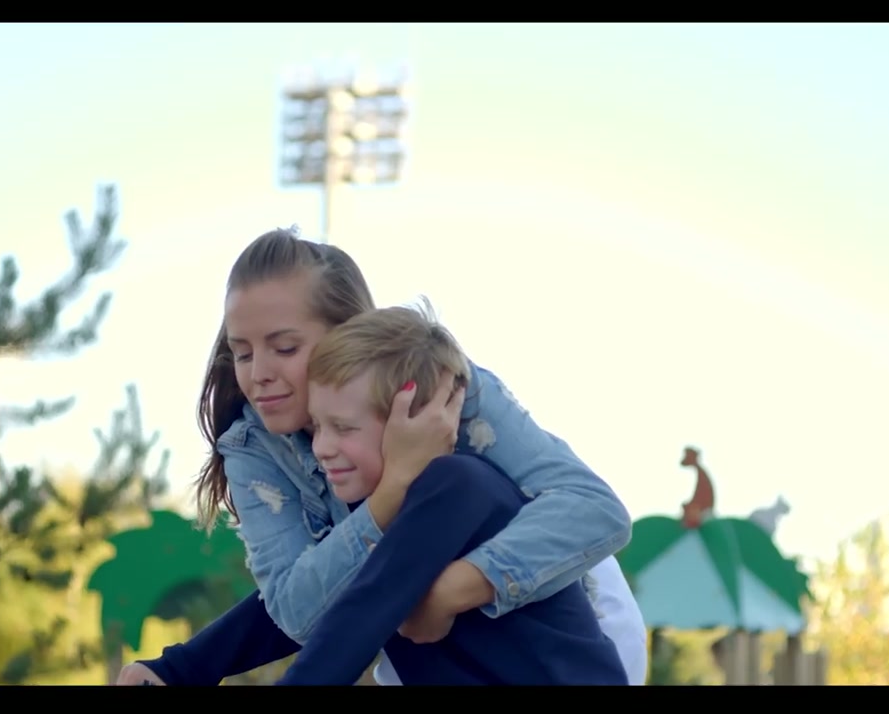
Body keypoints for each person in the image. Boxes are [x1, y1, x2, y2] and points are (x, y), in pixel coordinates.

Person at [115, 227, 645, 686]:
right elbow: (303, 606)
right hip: (427, 646)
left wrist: (445, 591)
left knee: (450, 492)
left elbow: (596, 510)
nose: (259, 375)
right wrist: (393, 492)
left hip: (563, 620)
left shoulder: (443, 392)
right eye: (243, 352)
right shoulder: (254, 447)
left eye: (285, 348)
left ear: (348, 334)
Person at [270, 303, 626, 684]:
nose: (321, 448)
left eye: (343, 427)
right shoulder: (384, 514)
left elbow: (357, 620)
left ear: (412, 416)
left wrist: (447, 593)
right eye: (317, 426)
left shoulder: (458, 484)